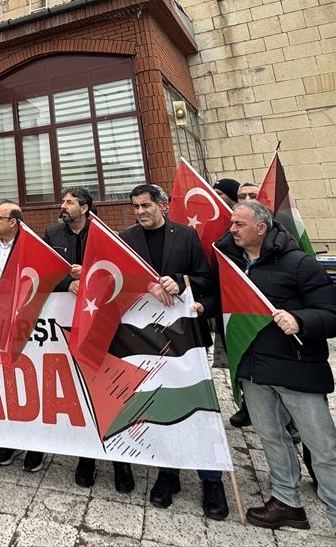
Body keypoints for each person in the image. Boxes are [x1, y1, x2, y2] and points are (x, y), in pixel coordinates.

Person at [218, 201, 336, 546]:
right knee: (271, 438)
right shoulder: (232, 263)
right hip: (254, 368)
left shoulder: (299, 264)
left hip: (298, 370)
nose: (232, 229)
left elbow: (334, 315)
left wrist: (301, 321)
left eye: (239, 224)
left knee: (323, 448)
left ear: (262, 228)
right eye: (231, 224)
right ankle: (287, 502)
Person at [118, 184, 226, 518]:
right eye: (135, 207)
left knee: (197, 405)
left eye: (146, 205)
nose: (140, 212)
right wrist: (145, 284)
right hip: (146, 341)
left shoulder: (187, 236)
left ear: (163, 205)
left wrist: (180, 281)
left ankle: (212, 480)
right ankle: (169, 474)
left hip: (186, 341)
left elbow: (207, 280)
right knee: (161, 406)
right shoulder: (126, 238)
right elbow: (118, 281)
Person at [0, 202, 43, 475]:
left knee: (29, 385)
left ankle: (34, 446)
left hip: (23, 325)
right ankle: (10, 440)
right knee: (4, 385)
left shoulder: (31, 245)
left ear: (14, 222)